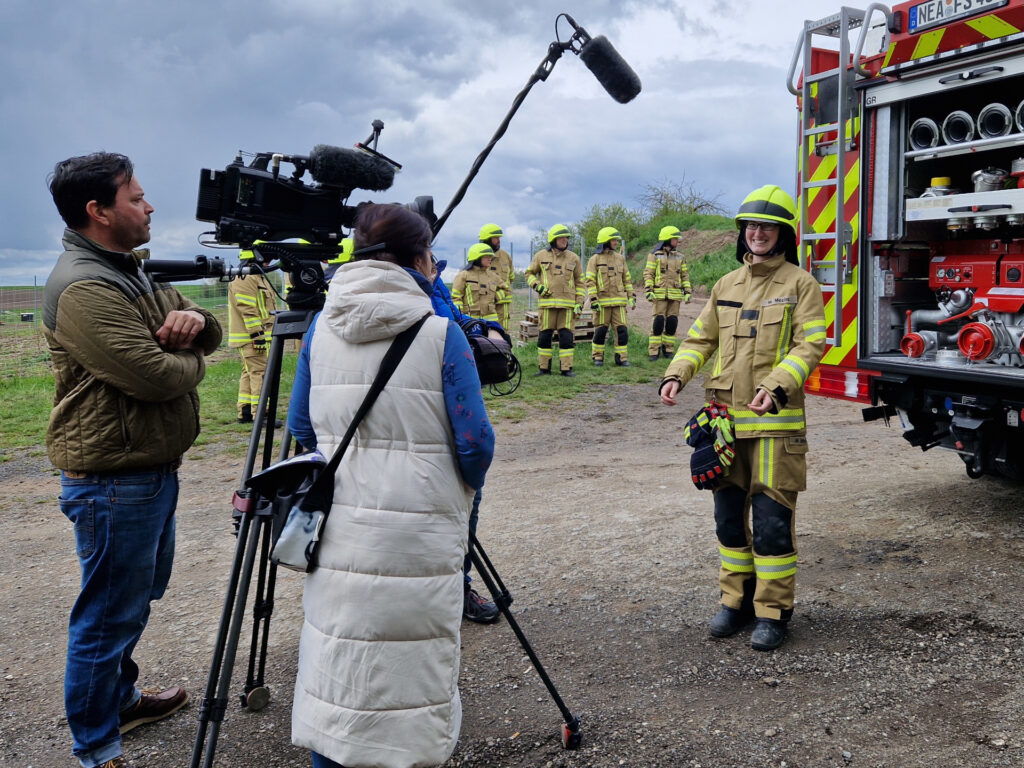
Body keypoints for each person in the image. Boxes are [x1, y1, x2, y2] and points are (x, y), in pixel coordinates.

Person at [286, 203, 495, 768]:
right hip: (419, 527)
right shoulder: (440, 332)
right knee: (409, 678)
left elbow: (301, 428)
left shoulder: (320, 327)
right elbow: (475, 442)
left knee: (340, 659)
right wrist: (454, 489)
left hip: (340, 528)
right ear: (421, 258)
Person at [44, 152, 222, 768]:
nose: (149, 207)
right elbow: (154, 377)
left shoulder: (131, 270)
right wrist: (195, 360)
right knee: (106, 617)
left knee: (134, 601)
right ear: (98, 211)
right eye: (137, 198)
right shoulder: (86, 288)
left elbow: (209, 324)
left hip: (146, 471)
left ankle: (119, 700)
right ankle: (96, 747)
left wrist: (196, 319)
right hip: (113, 480)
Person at [658, 185, 826, 652]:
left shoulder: (800, 284)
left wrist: (775, 388)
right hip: (726, 425)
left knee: (772, 524)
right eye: (750, 226)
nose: (756, 233)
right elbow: (699, 340)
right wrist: (677, 375)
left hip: (775, 428)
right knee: (729, 522)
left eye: (766, 226)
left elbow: (811, 345)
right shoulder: (725, 285)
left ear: (782, 234)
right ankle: (736, 603)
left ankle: (774, 613)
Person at [525, 224, 584, 376]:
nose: (565, 240)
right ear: (553, 240)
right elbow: (529, 274)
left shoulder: (574, 258)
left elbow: (580, 282)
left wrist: (579, 302)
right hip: (547, 305)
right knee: (544, 337)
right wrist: (537, 286)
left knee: (566, 337)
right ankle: (544, 369)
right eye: (562, 237)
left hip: (567, 307)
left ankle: (566, 369)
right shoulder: (540, 256)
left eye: (567, 237)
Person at [227, 242, 278, 422]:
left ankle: (246, 412)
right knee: (260, 373)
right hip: (252, 338)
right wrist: (258, 337)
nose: (269, 262)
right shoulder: (246, 277)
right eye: (267, 258)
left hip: (256, 336)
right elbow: (248, 309)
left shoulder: (256, 276)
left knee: (249, 373)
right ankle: (261, 414)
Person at [586, 226, 636, 367]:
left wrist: (631, 296)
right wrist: (594, 299)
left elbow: (627, 279)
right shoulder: (594, 259)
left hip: (619, 303)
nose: (616, 242)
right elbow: (590, 281)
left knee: (622, 331)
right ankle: (598, 358)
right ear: (605, 241)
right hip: (602, 304)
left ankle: (622, 358)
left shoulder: (620, 258)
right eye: (613, 240)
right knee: (600, 332)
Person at [643, 225, 692, 361]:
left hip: (675, 295)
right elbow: (648, 274)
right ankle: (654, 351)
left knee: (672, 323)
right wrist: (649, 290)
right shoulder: (654, 256)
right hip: (659, 295)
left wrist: (687, 292)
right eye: (675, 239)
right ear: (667, 239)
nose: (677, 241)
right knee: (658, 323)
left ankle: (668, 349)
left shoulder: (680, 257)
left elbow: (685, 275)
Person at [451, 243, 501, 322]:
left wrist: (496, 296)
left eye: (490, 256)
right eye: (486, 256)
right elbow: (456, 298)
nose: (490, 259)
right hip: (470, 321)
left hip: (491, 322)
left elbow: (506, 290)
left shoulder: (493, 276)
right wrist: (460, 316)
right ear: (477, 258)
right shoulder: (463, 276)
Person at [479, 222, 515, 331]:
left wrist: (500, 294)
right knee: (484, 331)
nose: (498, 240)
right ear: (487, 239)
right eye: (495, 238)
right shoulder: (477, 256)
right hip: (483, 303)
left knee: (502, 331)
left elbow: (511, 278)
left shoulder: (505, 256)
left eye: (499, 238)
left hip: (502, 304)